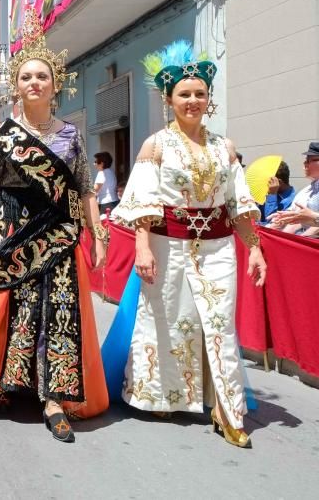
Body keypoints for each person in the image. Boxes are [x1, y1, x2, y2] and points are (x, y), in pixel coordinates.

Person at [0, 7, 109, 442]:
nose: (34, 83)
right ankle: (9, 383)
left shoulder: (71, 136)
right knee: (13, 307)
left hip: (59, 235)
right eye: (25, 77)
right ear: (15, 87)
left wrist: (96, 235)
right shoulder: (2, 137)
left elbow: (84, 191)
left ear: (55, 85)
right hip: (13, 233)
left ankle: (55, 396)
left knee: (60, 311)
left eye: (42, 76)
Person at [104, 40, 266, 448]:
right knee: (166, 321)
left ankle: (228, 411)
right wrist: (142, 246)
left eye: (200, 94)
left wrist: (256, 248)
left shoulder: (223, 147)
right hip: (166, 245)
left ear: (208, 99)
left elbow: (239, 204)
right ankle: (160, 395)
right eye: (185, 94)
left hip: (218, 249)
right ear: (169, 98)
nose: (193, 100)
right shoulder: (155, 145)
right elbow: (143, 200)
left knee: (218, 324)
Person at [269, 142, 319, 237]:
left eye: (312, 160)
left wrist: (303, 238)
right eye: (306, 160)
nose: (305, 164)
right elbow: (296, 220)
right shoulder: (306, 191)